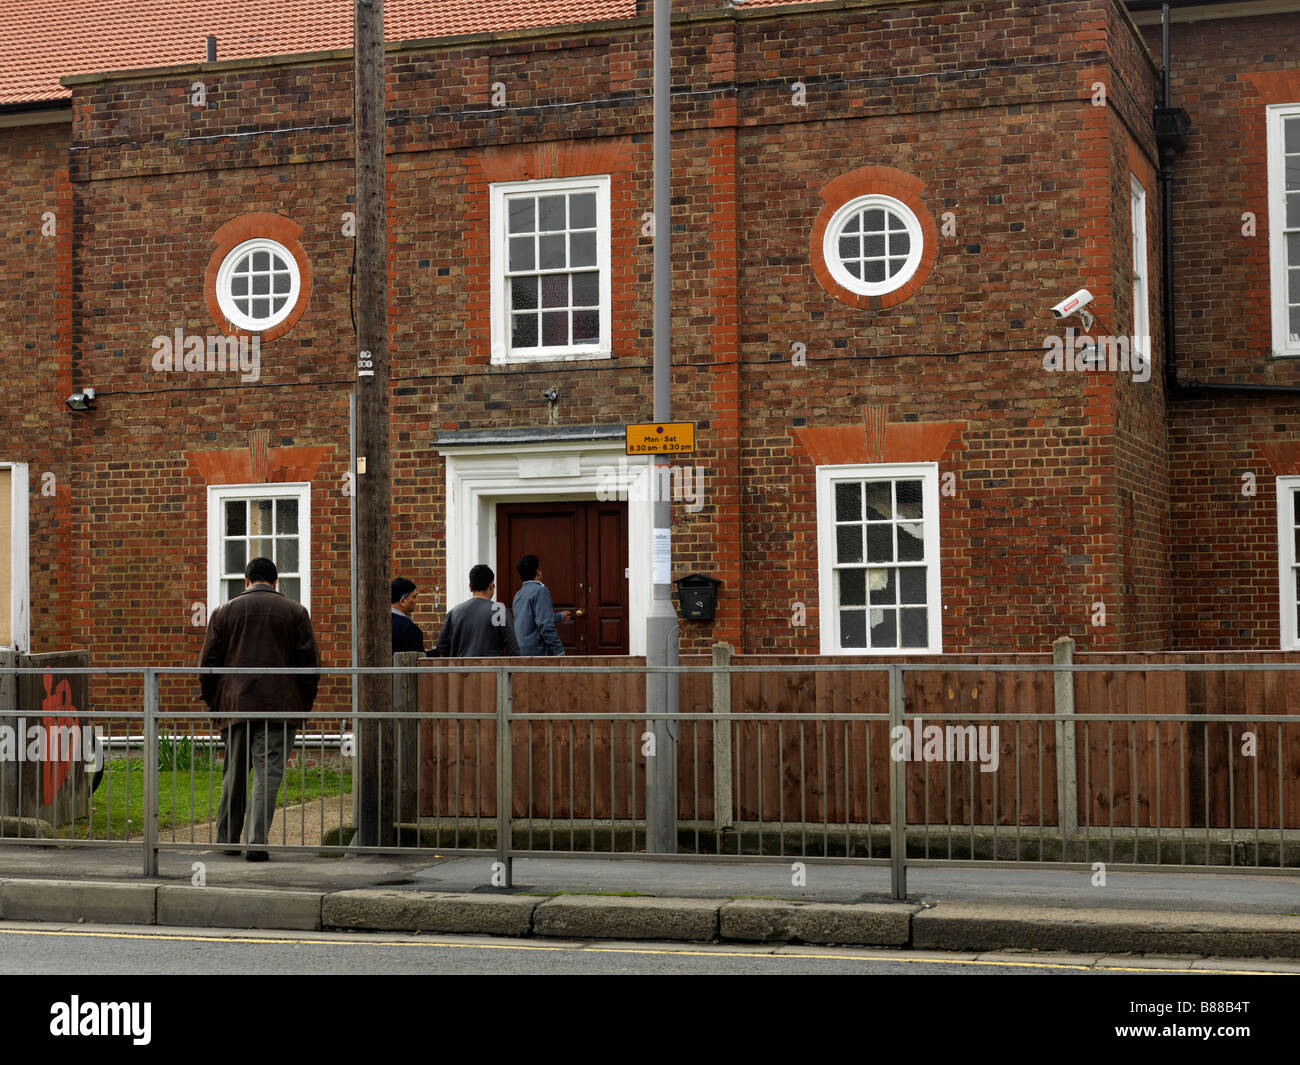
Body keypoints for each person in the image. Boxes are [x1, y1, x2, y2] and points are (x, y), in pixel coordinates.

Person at [199, 556, 320, 862]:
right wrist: (302, 707)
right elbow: (310, 665)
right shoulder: (295, 611)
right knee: (268, 775)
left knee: (234, 775)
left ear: (246, 580)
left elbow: (207, 664)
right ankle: (256, 841)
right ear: (276, 581)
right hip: (280, 707)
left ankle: (227, 840)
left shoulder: (223, 612)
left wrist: (216, 705)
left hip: (236, 704)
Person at [430, 564, 520, 658]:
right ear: (491, 586)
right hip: (490, 671)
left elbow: (442, 646)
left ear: (470, 587)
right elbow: (513, 650)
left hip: (461, 671)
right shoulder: (499, 612)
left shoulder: (454, 612)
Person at [511, 554, 570, 656]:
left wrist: (559, 616)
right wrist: (559, 652)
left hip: (521, 652)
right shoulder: (540, 590)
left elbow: (530, 619)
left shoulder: (518, 594)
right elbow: (545, 625)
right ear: (538, 571)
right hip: (539, 653)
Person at [390, 576, 425, 654]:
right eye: (414, 596)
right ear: (403, 601)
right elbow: (418, 662)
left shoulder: (376, 623)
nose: (417, 600)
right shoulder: (409, 629)